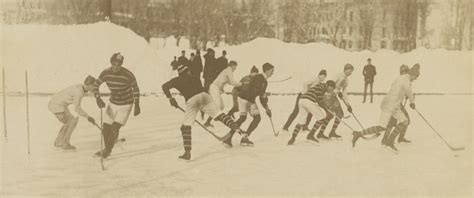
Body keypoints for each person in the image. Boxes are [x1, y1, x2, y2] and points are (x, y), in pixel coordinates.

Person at [162, 65, 244, 160]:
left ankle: (187, 153)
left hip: (192, 99)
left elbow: (164, 87)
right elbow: (200, 92)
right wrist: (203, 110)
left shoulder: (176, 80)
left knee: (185, 127)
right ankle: (236, 127)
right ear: (187, 71)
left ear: (179, 73)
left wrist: (171, 99)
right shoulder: (195, 78)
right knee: (219, 115)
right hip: (204, 96)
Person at [352, 64, 420, 152]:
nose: (416, 79)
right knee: (382, 127)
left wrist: (403, 95)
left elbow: (400, 89)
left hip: (393, 105)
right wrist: (412, 102)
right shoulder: (406, 80)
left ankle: (389, 141)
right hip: (390, 105)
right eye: (416, 77)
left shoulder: (401, 78)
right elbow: (409, 90)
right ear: (413, 74)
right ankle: (359, 134)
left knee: (404, 121)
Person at [93, 53, 141, 159]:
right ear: (111, 63)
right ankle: (108, 146)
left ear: (121, 65)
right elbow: (96, 85)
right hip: (113, 103)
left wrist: (137, 104)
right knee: (106, 128)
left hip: (126, 104)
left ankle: (107, 150)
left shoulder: (128, 74)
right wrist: (97, 98)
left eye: (118, 65)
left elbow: (136, 88)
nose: (116, 67)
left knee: (115, 127)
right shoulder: (105, 73)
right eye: (114, 64)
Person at [223, 63, 274, 147]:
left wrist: (266, 108)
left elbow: (261, 96)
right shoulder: (259, 78)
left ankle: (236, 138)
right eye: (272, 71)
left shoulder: (263, 80)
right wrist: (258, 99)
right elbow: (254, 90)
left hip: (246, 98)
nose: (273, 73)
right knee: (252, 118)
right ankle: (236, 138)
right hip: (245, 98)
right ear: (267, 71)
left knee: (249, 118)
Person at [48, 76, 97, 151]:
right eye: (93, 86)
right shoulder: (79, 92)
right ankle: (65, 144)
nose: (94, 88)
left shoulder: (80, 87)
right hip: (57, 106)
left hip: (58, 104)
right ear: (89, 85)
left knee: (69, 121)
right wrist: (88, 117)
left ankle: (58, 142)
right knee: (72, 121)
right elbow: (77, 108)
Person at [287, 80, 337, 145]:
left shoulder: (320, 85)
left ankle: (292, 138)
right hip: (308, 101)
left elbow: (319, 100)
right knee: (321, 118)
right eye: (332, 88)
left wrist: (325, 108)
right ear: (329, 86)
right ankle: (310, 135)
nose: (331, 91)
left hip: (301, 100)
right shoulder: (322, 87)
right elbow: (320, 101)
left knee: (301, 122)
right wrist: (326, 109)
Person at [316, 64, 354, 140]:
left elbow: (344, 93)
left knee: (340, 114)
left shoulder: (346, 80)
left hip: (333, 97)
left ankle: (332, 132)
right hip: (327, 96)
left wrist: (348, 105)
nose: (350, 73)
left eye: (351, 71)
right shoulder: (338, 75)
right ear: (345, 69)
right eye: (349, 71)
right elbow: (329, 85)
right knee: (329, 115)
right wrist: (336, 91)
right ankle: (320, 133)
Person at [203, 60, 242, 127]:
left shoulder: (227, 71)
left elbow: (229, 82)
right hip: (214, 88)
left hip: (216, 88)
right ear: (232, 66)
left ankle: (209, 120)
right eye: (235, 67)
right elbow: (232, 82)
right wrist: (241, 84)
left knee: (221, 106)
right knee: (217, 106)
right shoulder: (228, 71)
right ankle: (207, 120)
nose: (235, 69)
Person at [383, 64, 412, 144]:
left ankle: (392, 139)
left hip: (395, 103)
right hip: (394, 104)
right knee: (399, 121)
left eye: (406, 71)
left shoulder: (401, 79)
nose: (404, 73)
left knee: (394, 121)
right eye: (403, 72)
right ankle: (389, 139)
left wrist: (406, 95)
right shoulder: (401, 80)